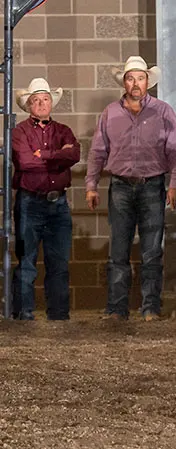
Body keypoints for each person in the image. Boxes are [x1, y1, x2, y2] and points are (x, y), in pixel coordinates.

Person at [85, 56, 176, 321]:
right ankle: (117, 308)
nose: (136, 83)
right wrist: (91, 185)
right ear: (125, 82)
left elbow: (175, 151)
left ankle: (150, 307)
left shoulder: (163, 111)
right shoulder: (110, 112)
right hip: (120, 185)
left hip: (153, 185)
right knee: (119, 249)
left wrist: (175, 184)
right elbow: (97, 151)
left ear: (148, 82)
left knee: (152, 250)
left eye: (140, 78)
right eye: (131, 78)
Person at [10, 78, 81, 321]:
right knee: (26, 262)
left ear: (51, 103)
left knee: (59, 264)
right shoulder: (20, 132)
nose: (41, 104)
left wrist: (46, 154)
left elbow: (75, 154)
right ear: (29, 105)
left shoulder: (63, 130)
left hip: (58, 204)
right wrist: (58, 157)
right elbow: (24, 162)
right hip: (29, 203)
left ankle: (59, 316)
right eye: (36, 100)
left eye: (45, 99)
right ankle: (23, 314)